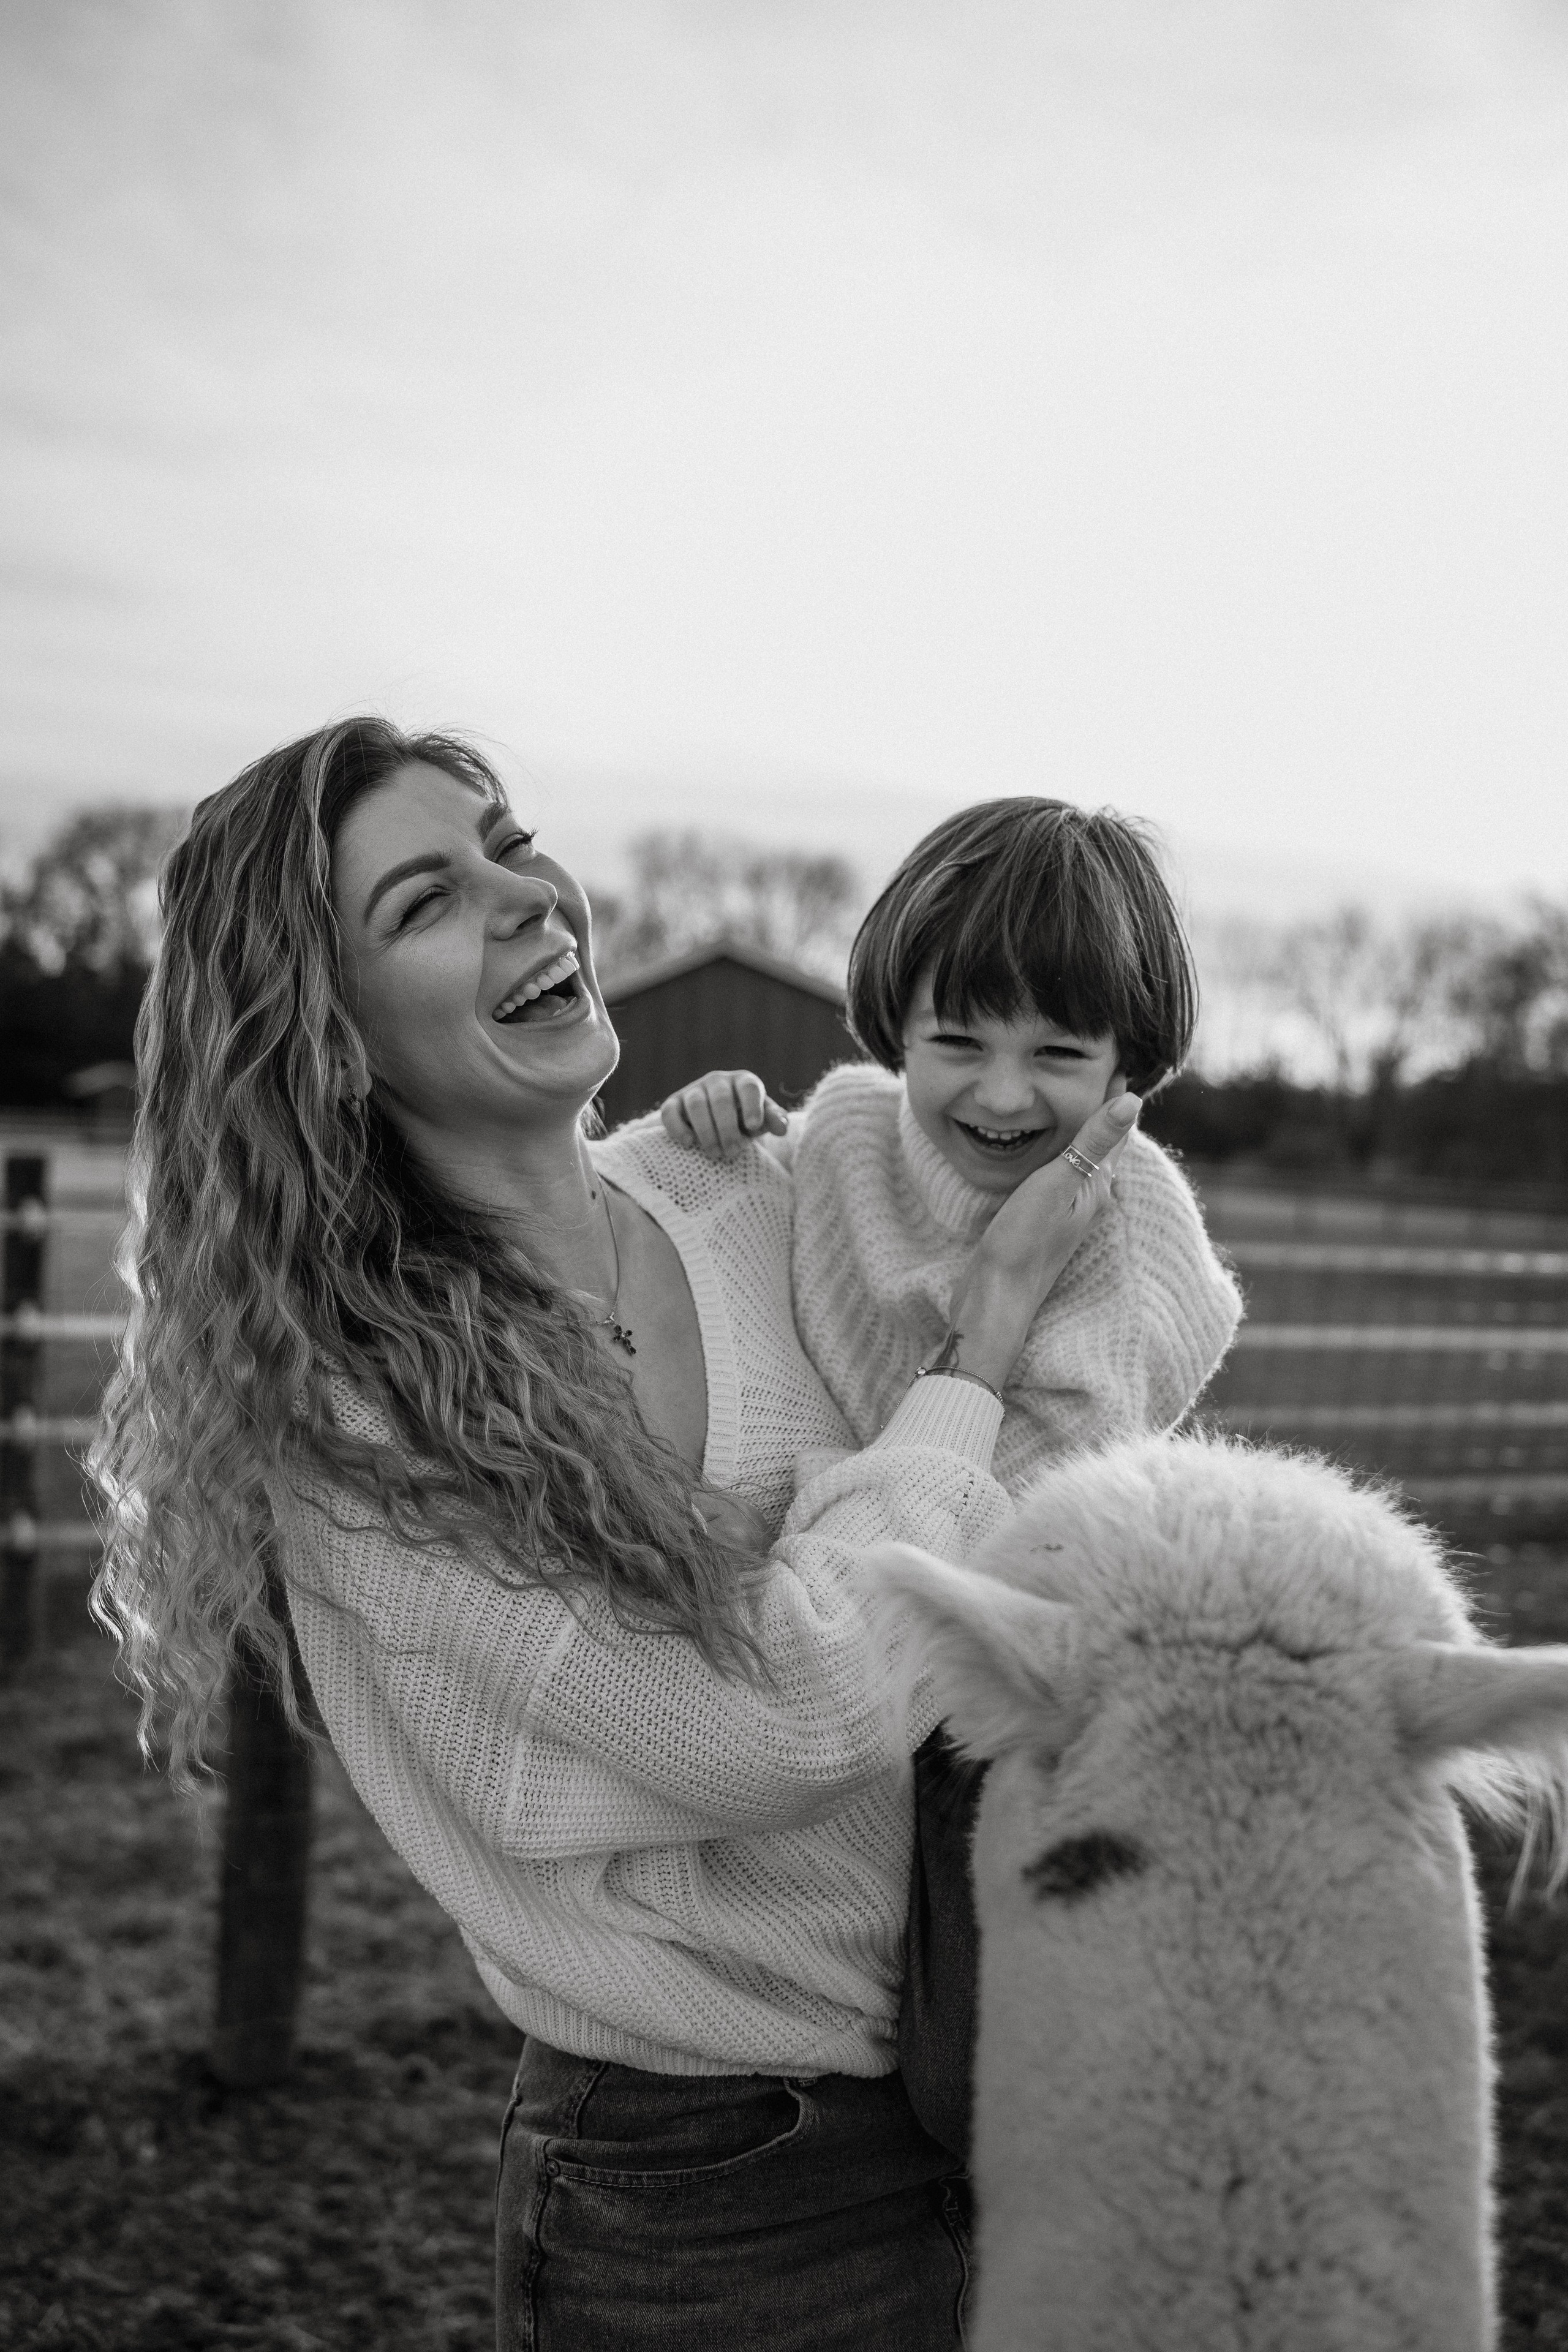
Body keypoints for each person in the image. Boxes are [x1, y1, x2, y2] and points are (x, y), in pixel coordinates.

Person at [90, 720, 1139, 2352]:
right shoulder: (363, 1420)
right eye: (429, 900)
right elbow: (782, 1727)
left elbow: (1079, 1317)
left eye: (510, 841)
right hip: (712, 2193)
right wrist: (979, 1351)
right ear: (328, 1036)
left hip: (993, 2078)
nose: (528, 899)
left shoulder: (753, 1194)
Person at [662, 795, 1243, 2157]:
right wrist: (711, 1120)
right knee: (784, 1960)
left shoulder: (1137, 1229)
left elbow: (1048, 1490)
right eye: (955, 1041)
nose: (997, 1093)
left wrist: (861, 1480)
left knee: (971, 2075)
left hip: (991, 1676)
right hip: (817, 1612)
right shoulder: (847, 1133)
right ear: (892, 1029)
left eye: (1056, 1051)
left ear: (1124, 1064)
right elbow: (742, 1251)